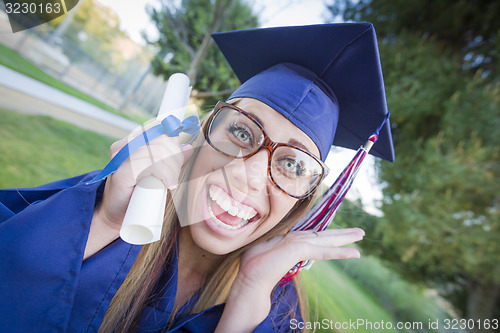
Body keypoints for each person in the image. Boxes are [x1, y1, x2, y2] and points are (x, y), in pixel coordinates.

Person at [0, 23, 394, 332]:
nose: (249, 176)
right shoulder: (110, 202)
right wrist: (103, 222)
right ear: (204, 132)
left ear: (304, 199)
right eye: (241, 132)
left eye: (292, 164)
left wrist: (249, 294)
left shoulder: (276, 310)